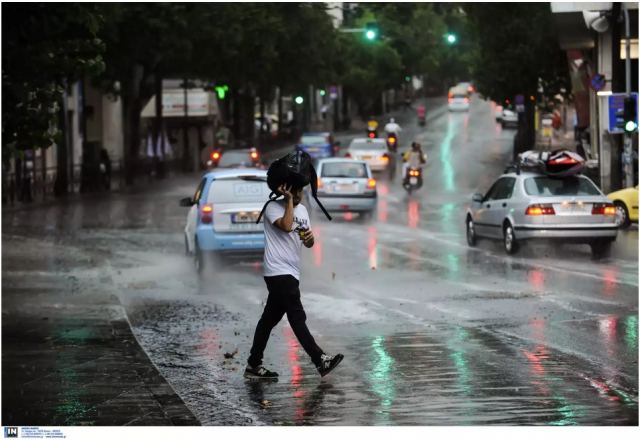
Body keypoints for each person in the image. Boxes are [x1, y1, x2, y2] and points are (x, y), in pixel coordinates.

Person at [245, 184, 344, 380]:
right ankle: (320, 359)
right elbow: (286, 225)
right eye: (294, 192)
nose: (298, 195)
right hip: (277, 272)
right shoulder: (273, 207)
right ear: (286, 191)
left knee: (268, 320)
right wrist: (289, 201)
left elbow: (307, 241)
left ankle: (253, 364)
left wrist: (310, 238)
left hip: (291, 272)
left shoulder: (303, 210)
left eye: (299, 192)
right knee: (297, 316)